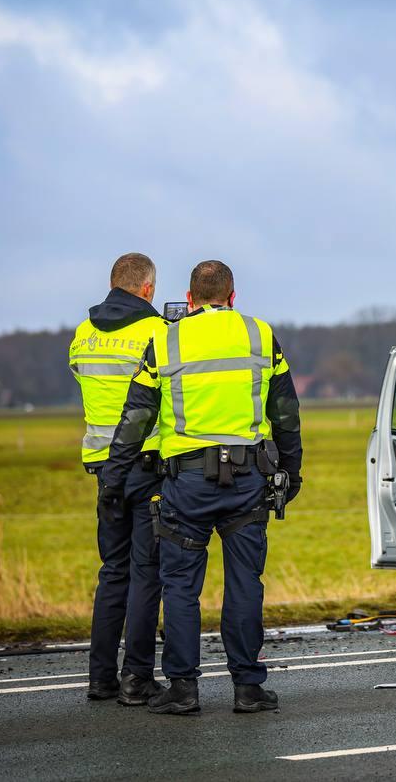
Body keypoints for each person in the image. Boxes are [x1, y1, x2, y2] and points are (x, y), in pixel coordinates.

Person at [102, 260, 303, 715]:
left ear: (189, 299)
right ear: (232, 297)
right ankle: (248, 688)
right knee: (245, 583)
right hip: (247, 479)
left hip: (186, 483)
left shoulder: (165, 339)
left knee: (179, 586)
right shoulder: (259, 334)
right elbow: (286, 413)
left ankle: (183, 689)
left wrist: (114, 478)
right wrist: (292, 472)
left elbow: (136, 418)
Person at [68, 252, 166, 705]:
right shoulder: (155, 331)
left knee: (112, 571)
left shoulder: (83, 333)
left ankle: (100, 678)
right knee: (146, 573)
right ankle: (136, 678)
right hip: (145, 464)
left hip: (102, 466)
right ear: (147, 288)